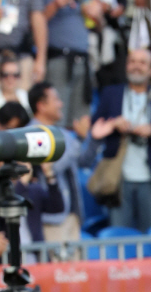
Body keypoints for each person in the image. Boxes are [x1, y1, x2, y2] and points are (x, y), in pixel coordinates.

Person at [90, 49, 151, 233]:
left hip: (150, 177)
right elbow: (95, 125)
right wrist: (114, 123)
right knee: (119, 235)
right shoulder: (111, 93)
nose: (136, 66)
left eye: (142, 62)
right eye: (132, 61)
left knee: (150, 235)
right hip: (118, 177)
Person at [28, 81, 103, 246]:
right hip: (50, 217)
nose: (61, 104)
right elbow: (52, 167)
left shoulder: (62, 133)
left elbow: (82, 161)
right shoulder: (31, 134)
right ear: (41, 105)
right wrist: (79, 139)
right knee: (56, 270)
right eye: (56, 100)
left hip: (72, 214)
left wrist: (94, 139)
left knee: (76, 271)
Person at [40, 0, 103, 129]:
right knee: (56, 117)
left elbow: (97, 26)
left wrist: (96, 16)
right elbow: (34, 25)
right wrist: (54, 5)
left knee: (81, 119)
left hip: (83, 59)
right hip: (57, 58)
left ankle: (78, 157)